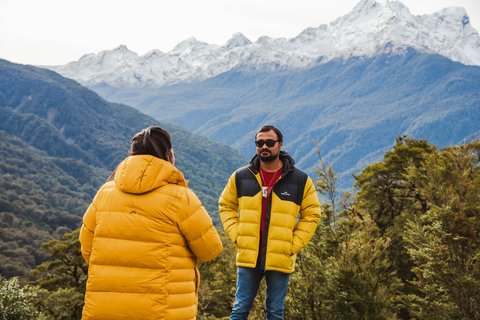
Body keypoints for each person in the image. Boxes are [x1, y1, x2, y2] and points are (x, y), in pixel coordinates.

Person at [79, 126, 222, 320]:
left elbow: (88, 248)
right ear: (168, 154)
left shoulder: (104, 194)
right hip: (163, 311)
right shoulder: (181, 198)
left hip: (104, 310)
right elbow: (210, 249)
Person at [219, 125, 321, 320]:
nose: (264, 146)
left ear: (280, 144)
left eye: (269, 142)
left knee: (275, 311)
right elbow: (225, 205)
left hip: (281, 255)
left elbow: (313, 213)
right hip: (249, 254)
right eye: (260, 143)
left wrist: (293, 244)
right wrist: (238, 235)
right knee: (240, 309)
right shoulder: (241, 176)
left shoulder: (300, 180)